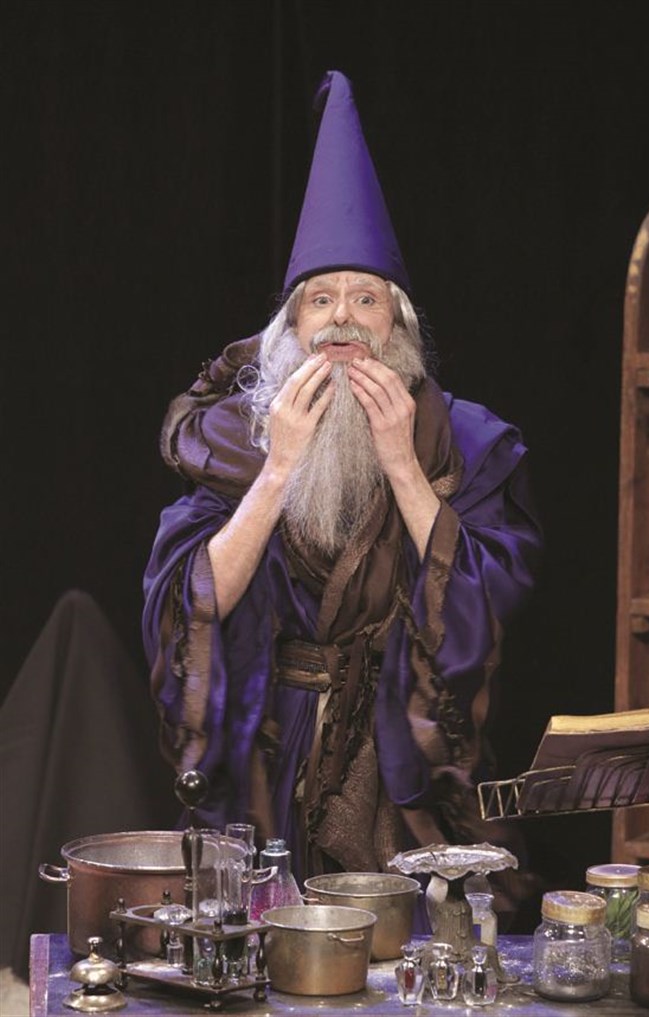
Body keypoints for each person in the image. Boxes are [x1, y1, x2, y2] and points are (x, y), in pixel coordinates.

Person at [143, 71, 543, 906]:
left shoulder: (466, 443)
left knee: (424, 940)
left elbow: (490, 602)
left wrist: (402, 465)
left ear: (397, 329)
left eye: (367, 299)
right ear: (290, 330)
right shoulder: (234, 440)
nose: (343, 319)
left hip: (404, 759)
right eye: (320, 300)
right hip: (271, 751)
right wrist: (279, 469)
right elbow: (190, 599)